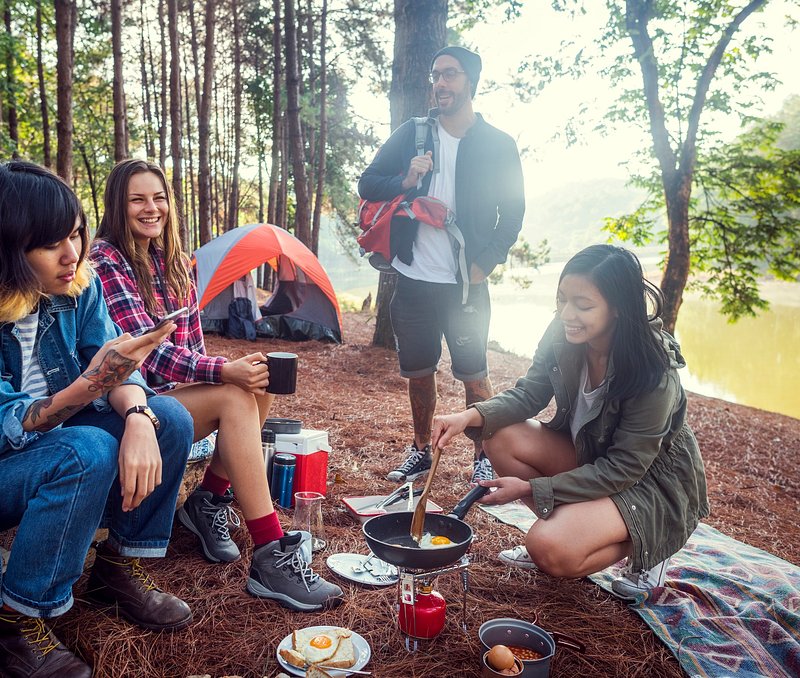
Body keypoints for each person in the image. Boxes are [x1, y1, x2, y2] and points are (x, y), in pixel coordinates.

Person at [90, 159, 343, 612]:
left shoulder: (175, 262)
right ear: (118, 206)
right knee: (232, 391)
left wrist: (231, 367)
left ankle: (207, 501)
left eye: (158, 197)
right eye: (137, 200)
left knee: (258, 382)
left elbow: (192, 346)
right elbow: (144, 353)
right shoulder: (106, 260)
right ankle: (270, 553)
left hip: (171, 398)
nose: (151, 208)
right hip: (127, 402)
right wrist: (224, 372)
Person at [0, 161, 195, 677]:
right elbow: (12, 424)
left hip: (60, 447)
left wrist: (135, 414)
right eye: (50, 245)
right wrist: (93, 383)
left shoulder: (77, 288)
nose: (73, 255)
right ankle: (13, 620)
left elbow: (111, 358)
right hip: (9, 464)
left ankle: (117, 569)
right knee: (84, 448)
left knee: (167, 417)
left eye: (76, 234)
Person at [431, 245, 710, 599]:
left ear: (619, 307)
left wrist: (532, 489)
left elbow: (623, 468)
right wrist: (468, 416)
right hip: (592, 453)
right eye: (562, 299)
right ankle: (575, 527)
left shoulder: (653, 370)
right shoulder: (564, 330)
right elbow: (530, 393)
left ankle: (649, 544)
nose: (567, 313)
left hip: (646, 481)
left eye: (583, 305)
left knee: (548, 549)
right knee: (498, 435)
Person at [358, 45, 525, 486]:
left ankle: (484, 455)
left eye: (450, 75)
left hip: (466, 286)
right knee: (418, 371)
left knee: (475, 374)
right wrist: (406, 180)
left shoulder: (498, 144)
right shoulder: (413, 134)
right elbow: (368, 182)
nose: (440, 84)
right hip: (413, 278)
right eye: (436, 75)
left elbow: (512, 214)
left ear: (470, 81)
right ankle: (418, 449)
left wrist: (484, 264)